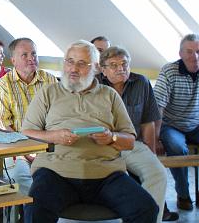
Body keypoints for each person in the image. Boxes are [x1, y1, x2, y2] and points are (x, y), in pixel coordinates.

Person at [21, 40, 158, 223]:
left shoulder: (109, 95)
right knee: (35, 209)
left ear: (95, 67)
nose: (73, 69)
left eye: (81, 63)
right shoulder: (49, 92)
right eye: (70, 61)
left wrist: (112, 137)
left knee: (146, 208)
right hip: (56, 172)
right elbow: (27, 132)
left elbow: (130, 140)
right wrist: (53, 136)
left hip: (106, 175)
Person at [99, 46, 172, 222]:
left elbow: (148, 121)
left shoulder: (141, 82)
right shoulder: (95, 86)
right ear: (103, 70)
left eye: (124, 63)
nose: (120, 68)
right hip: (101, 146)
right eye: (114, 65)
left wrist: (151, 152)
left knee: (158, 174)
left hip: (132, 144)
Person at [0, 38, 58, 201]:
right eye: (24, 55)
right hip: (17, 150)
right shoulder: (3, 87)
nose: (31, 58)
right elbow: (3, 128)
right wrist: (28, 153)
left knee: (64, 176)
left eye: (34, 53)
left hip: (50, 146)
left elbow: (62, 116)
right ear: (13, 60)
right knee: (24, 181)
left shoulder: (50, 81)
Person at [155, 33, 199, 211]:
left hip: (196, 123)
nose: (194, 56)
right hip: (171, 125)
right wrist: (156, 138)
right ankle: (183, 194)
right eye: (189, 51)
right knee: (176, 147)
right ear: (180, 53)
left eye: (198, 51)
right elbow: (157, 107)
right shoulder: (169, 71)